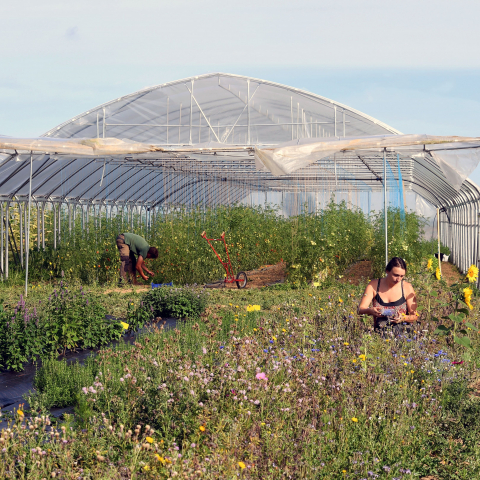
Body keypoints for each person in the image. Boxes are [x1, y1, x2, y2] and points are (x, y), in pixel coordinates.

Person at [358, 257, 419, 334]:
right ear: (387, 271)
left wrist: (403, 318)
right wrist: (370, 310)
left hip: (403, 334)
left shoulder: (407, 287)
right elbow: (360, 310)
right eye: (396, 275)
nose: (398, 279)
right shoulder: (373, 285)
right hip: (380, 333)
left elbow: (415, 316)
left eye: (402, 276)